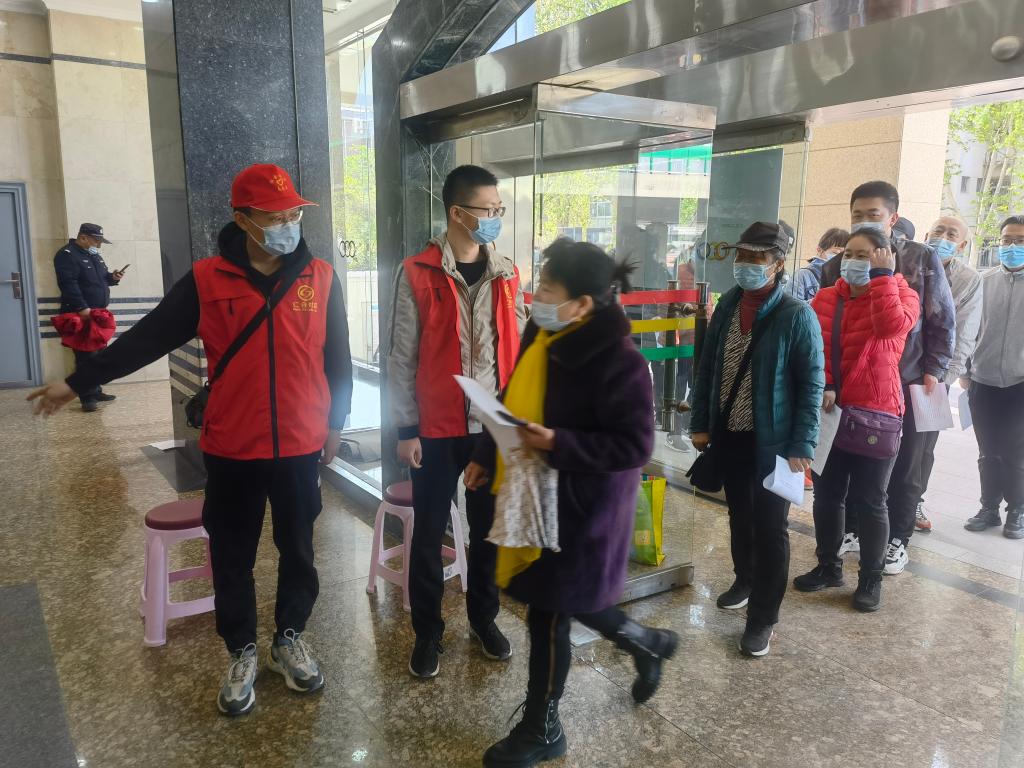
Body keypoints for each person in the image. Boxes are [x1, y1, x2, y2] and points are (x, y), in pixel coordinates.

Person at [29, 164, 353, 716]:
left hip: (300, 442)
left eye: (294, 214)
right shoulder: (207, 280)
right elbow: (146, 339)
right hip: (233, 446)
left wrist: (336, 423)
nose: (288, 225)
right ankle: (241, 649)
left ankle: (289, 638)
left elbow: (337, 356)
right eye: (275, 216)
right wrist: (78, 382)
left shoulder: (320, 276)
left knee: (299, 549)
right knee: (231, 554)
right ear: (242, 220)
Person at [465, 239, 676, 768]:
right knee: (563, 601)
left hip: (584, 510)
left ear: (581, 303)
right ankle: (645, 643)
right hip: (535, 491)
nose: (537, 296)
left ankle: (543, 728)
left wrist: (559, 442)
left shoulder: (621, 361)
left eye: (548, 289)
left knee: (549, 612)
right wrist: (486, 453)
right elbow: (514, 396)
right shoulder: (546, 333)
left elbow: (633, 447)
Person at [387, 164, 527, 679]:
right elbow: (401, 356)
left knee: (487, 533)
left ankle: (484, 621)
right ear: (457, 213)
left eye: (499, 209)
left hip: (490, 429)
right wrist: (406, 430)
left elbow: (518, 353)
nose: (495, 218)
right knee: (428, 536)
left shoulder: (507, 273)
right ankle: (427, 633)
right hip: (435, 430)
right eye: (487, 210)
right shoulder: (417, 272)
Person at [690, 221, 824, 657]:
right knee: (739, 517)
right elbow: (707, 368)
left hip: (775, 443)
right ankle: (744, 579)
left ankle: (763, 618)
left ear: (778, 263)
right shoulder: (727, 305)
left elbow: (812, 384)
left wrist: (803, 444)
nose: (746, 264)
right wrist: (701, 422)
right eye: (742, 255)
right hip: (730, 435)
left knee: (770, 529)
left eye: (757, 258)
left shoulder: (796, 315)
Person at [819, 181, 955, 574]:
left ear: (892, 217)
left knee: (905, 465)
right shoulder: (837, 263)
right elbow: (828, 327)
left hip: (909, 381)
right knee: (847, 463)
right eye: (857, 214)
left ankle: (898, 539)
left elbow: (941, 318)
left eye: (873, 214)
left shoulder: (919, 258)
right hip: (850, 383)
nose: (864, 221)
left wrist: (934, 369)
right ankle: (853, 531)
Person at [793, 229, 919, 611]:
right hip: (832, 412)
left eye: (865, 255)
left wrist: (882, 279)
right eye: (849, 253)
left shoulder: (903, 295)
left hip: (877, 413)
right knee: (828, 496)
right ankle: (828, 567)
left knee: (871, 500)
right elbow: (814, 348)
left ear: (886, 258)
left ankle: (870, 579)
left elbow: (891, 328)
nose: (852, 261)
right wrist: (828, 383)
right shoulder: (826, 297)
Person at [914, 216, 983, 532]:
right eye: (938, 231)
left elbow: (965, 333)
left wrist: (944, 378)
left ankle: (913, 501)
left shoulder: (969, 279)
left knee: (924, 446)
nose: (942, 237)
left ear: (962, 244)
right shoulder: (908, 262)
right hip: (896, 370)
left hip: (936, 375)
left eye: (951, 234)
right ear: (927, 234)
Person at [963, 215, 1024, 540]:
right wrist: (965, 370)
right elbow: (967, 330)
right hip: (983, 380)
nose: (1012, 246)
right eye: (1007, 240)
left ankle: (1017, 510)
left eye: (1020, 241)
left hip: (1020, 383)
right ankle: (989, 508)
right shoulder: (983, 282)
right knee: (987, 450)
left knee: (1016, 451)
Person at [53, 223, 126, 411]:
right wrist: (82, 307)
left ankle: (96, 390)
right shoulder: (67, 255)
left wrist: (113, 278)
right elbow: (68, 284)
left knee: (98, 354)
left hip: (97, 314)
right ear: (83, 237)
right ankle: (87, 396)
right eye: (96, 241)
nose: (99, 245)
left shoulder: (94, 255)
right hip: (81, 314)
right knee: (85, 355)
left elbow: (101, 279)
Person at [790, 227, 849, 302]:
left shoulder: (848, 279)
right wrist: (821, 300)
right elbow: (791, 306)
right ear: (819, 250)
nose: (840, 258)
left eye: (846, 255)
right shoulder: (802, 275)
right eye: (836, 253)